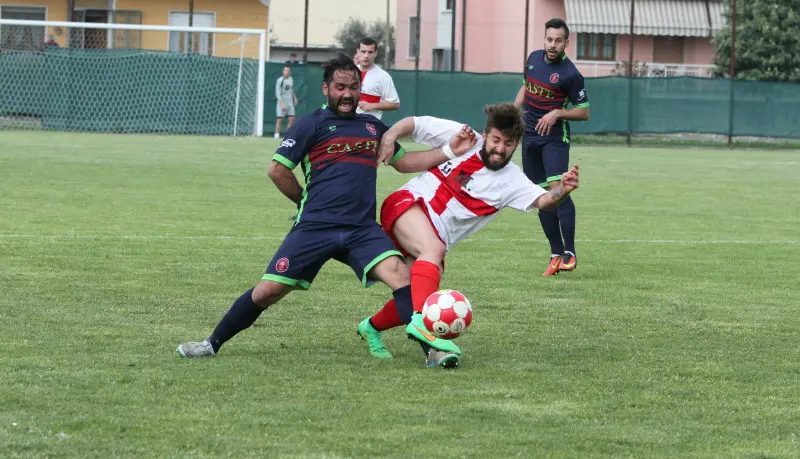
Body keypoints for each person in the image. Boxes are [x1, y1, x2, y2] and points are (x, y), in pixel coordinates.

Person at [176, 54, 477, 368]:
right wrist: (306, 204)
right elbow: (277, 170)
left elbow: (404, 163)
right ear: (326, 88)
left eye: (353, 88)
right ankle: (210, 344)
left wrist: (448, 151)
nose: (347, 94)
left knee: (405, 281)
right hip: (315, 227)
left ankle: (432, 351)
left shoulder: (372, 127)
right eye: (339, 87)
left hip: (361, 229)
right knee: (268, 291)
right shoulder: (311, 124)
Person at [356, 103, 580, 367]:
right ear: (485, 135)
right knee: (432, 257)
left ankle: (371, 327)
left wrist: (561, 191)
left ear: (516, 145)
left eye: (508, 143)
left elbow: (543, 200)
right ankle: (426, 334)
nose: (499, 148)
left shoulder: (513, 180)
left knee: (416, 293)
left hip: (432, 236)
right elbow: (414, 123)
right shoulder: (464, 137)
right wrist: (391, 135)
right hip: (408, 204)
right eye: (495, 140)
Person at [513, 18, 590, 276]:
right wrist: (511, 117)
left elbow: (584, 111)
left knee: (559, 189)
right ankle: (556, 253)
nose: (552, 44)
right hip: (530, 136)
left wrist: (557, 112)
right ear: (544, 38)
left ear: (566, 43)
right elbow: (526, 87)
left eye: (558, 40)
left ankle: (570, 252)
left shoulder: (571, 74)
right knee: (538, 196)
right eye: (549, 39)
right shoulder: (533, 58)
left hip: (555, 138)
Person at [355, 37, 399, 120]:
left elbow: (395, 104)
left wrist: (372, 105)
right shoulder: (349, 72)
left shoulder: (383, 76)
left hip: (369, 125)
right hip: (347, 123)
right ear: (357, 52)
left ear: (375, 53)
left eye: (370, 52)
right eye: (363, 52)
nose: (366, 56)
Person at [274, 65, 298, 139]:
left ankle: (288, 135)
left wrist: (295, 98)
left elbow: (291, 90)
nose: (287, 72)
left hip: (290, 102)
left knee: (291, 118)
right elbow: (277, 92)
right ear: (283, 71)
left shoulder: (291, 79)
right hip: (282, 102)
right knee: (280, 119)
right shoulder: (280, 80)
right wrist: (282, 104)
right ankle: (276, 134)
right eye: (285, 70)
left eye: (288, 70)